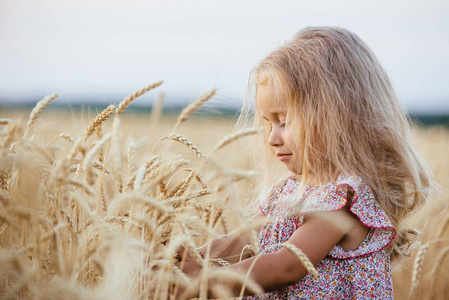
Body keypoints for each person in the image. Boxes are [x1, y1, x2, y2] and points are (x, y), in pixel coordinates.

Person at [175, 26, 433, 299]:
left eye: (284, 122)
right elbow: (240, 240)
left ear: (337, 117)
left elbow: (287, 266)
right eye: (268, 123)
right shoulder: (288, 192)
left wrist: (203, 281)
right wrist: (188, 259)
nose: (272, 138)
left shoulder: (344, 200)